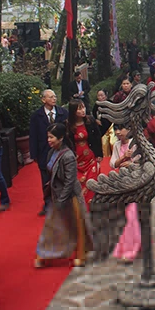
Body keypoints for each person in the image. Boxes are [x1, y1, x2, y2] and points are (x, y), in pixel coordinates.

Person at [35, 123, 93, 268]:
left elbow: (70, 181)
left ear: (60, 138)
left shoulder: (68, 156)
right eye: (48, 137)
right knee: (53, 227)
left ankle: (81, 255)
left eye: (51, 137)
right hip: (57, 195)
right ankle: (44, 255)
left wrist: (61, 200)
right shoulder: (51, 152)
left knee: (78, 227)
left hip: (71, 197)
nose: (48, 140)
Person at [30, 89, 69, 216]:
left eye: (55, 96)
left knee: (63, 177)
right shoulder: (36, 116)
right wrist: (34, 154)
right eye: (51, 97)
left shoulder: (63, 113)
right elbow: (33, 136)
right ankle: (48, 205)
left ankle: (63, 204)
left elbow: (69, 133)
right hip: (44, 152)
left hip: (61, 150)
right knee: (46, 180)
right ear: (43, 100)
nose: (54, 99)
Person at [109, 125, 141, 263]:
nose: (118, 132)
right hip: (122, 183)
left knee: (132, 214)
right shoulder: (117, 145)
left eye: (121, 128)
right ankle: (134, 245)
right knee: (128, 215)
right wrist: (123, 157)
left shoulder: (137, 143)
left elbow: (144, 163)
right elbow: (113, 164)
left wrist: (131, 163)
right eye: (115, 129)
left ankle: (130, 250)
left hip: (137, 182)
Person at [66, 99, 103, 208]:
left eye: (83, 107)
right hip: (76, 157)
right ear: (73, 111)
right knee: (79, 183)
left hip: (90, 156)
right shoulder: (67, 124)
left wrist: (99, 154)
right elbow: (67, 142)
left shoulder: (90, 120)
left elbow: (97, 137)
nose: (83, 110)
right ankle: (82, 209)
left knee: (92, 181)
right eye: (79, 109)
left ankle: (93, 207)